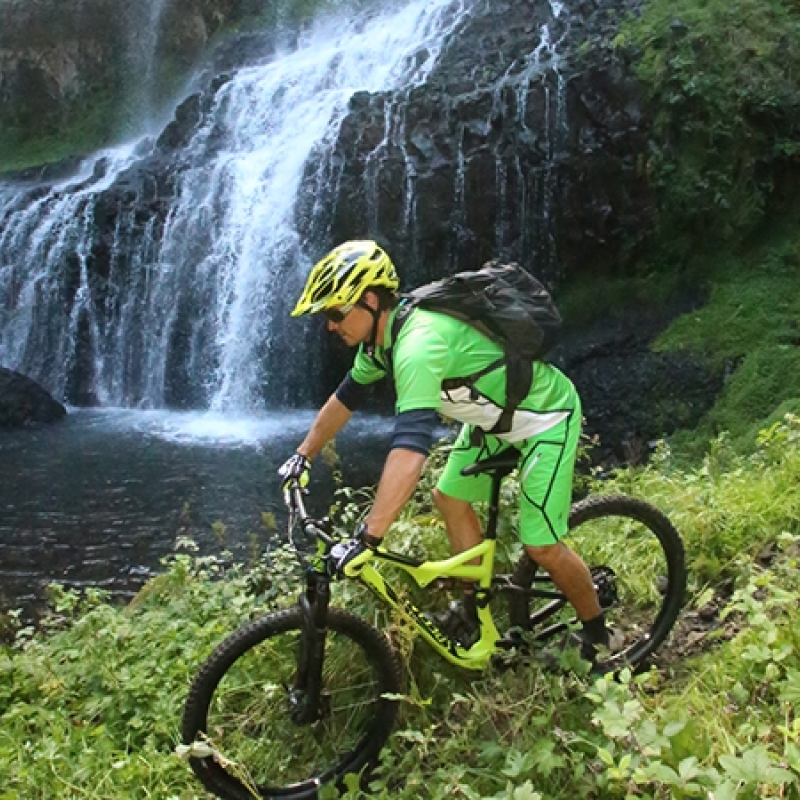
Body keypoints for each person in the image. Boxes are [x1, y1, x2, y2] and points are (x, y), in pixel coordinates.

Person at [278, 240, 616, 660]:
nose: (330, 325)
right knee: (449, 496)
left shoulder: (418, 346)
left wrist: (369, 537)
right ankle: (474, 609)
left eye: (335, 313)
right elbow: (345, 398)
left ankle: (599, 636)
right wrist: (303, 454)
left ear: (369, 300)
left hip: (545, 417)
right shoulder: (381, 341)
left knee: (541, 545)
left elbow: (410, 449)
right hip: (494, 419)